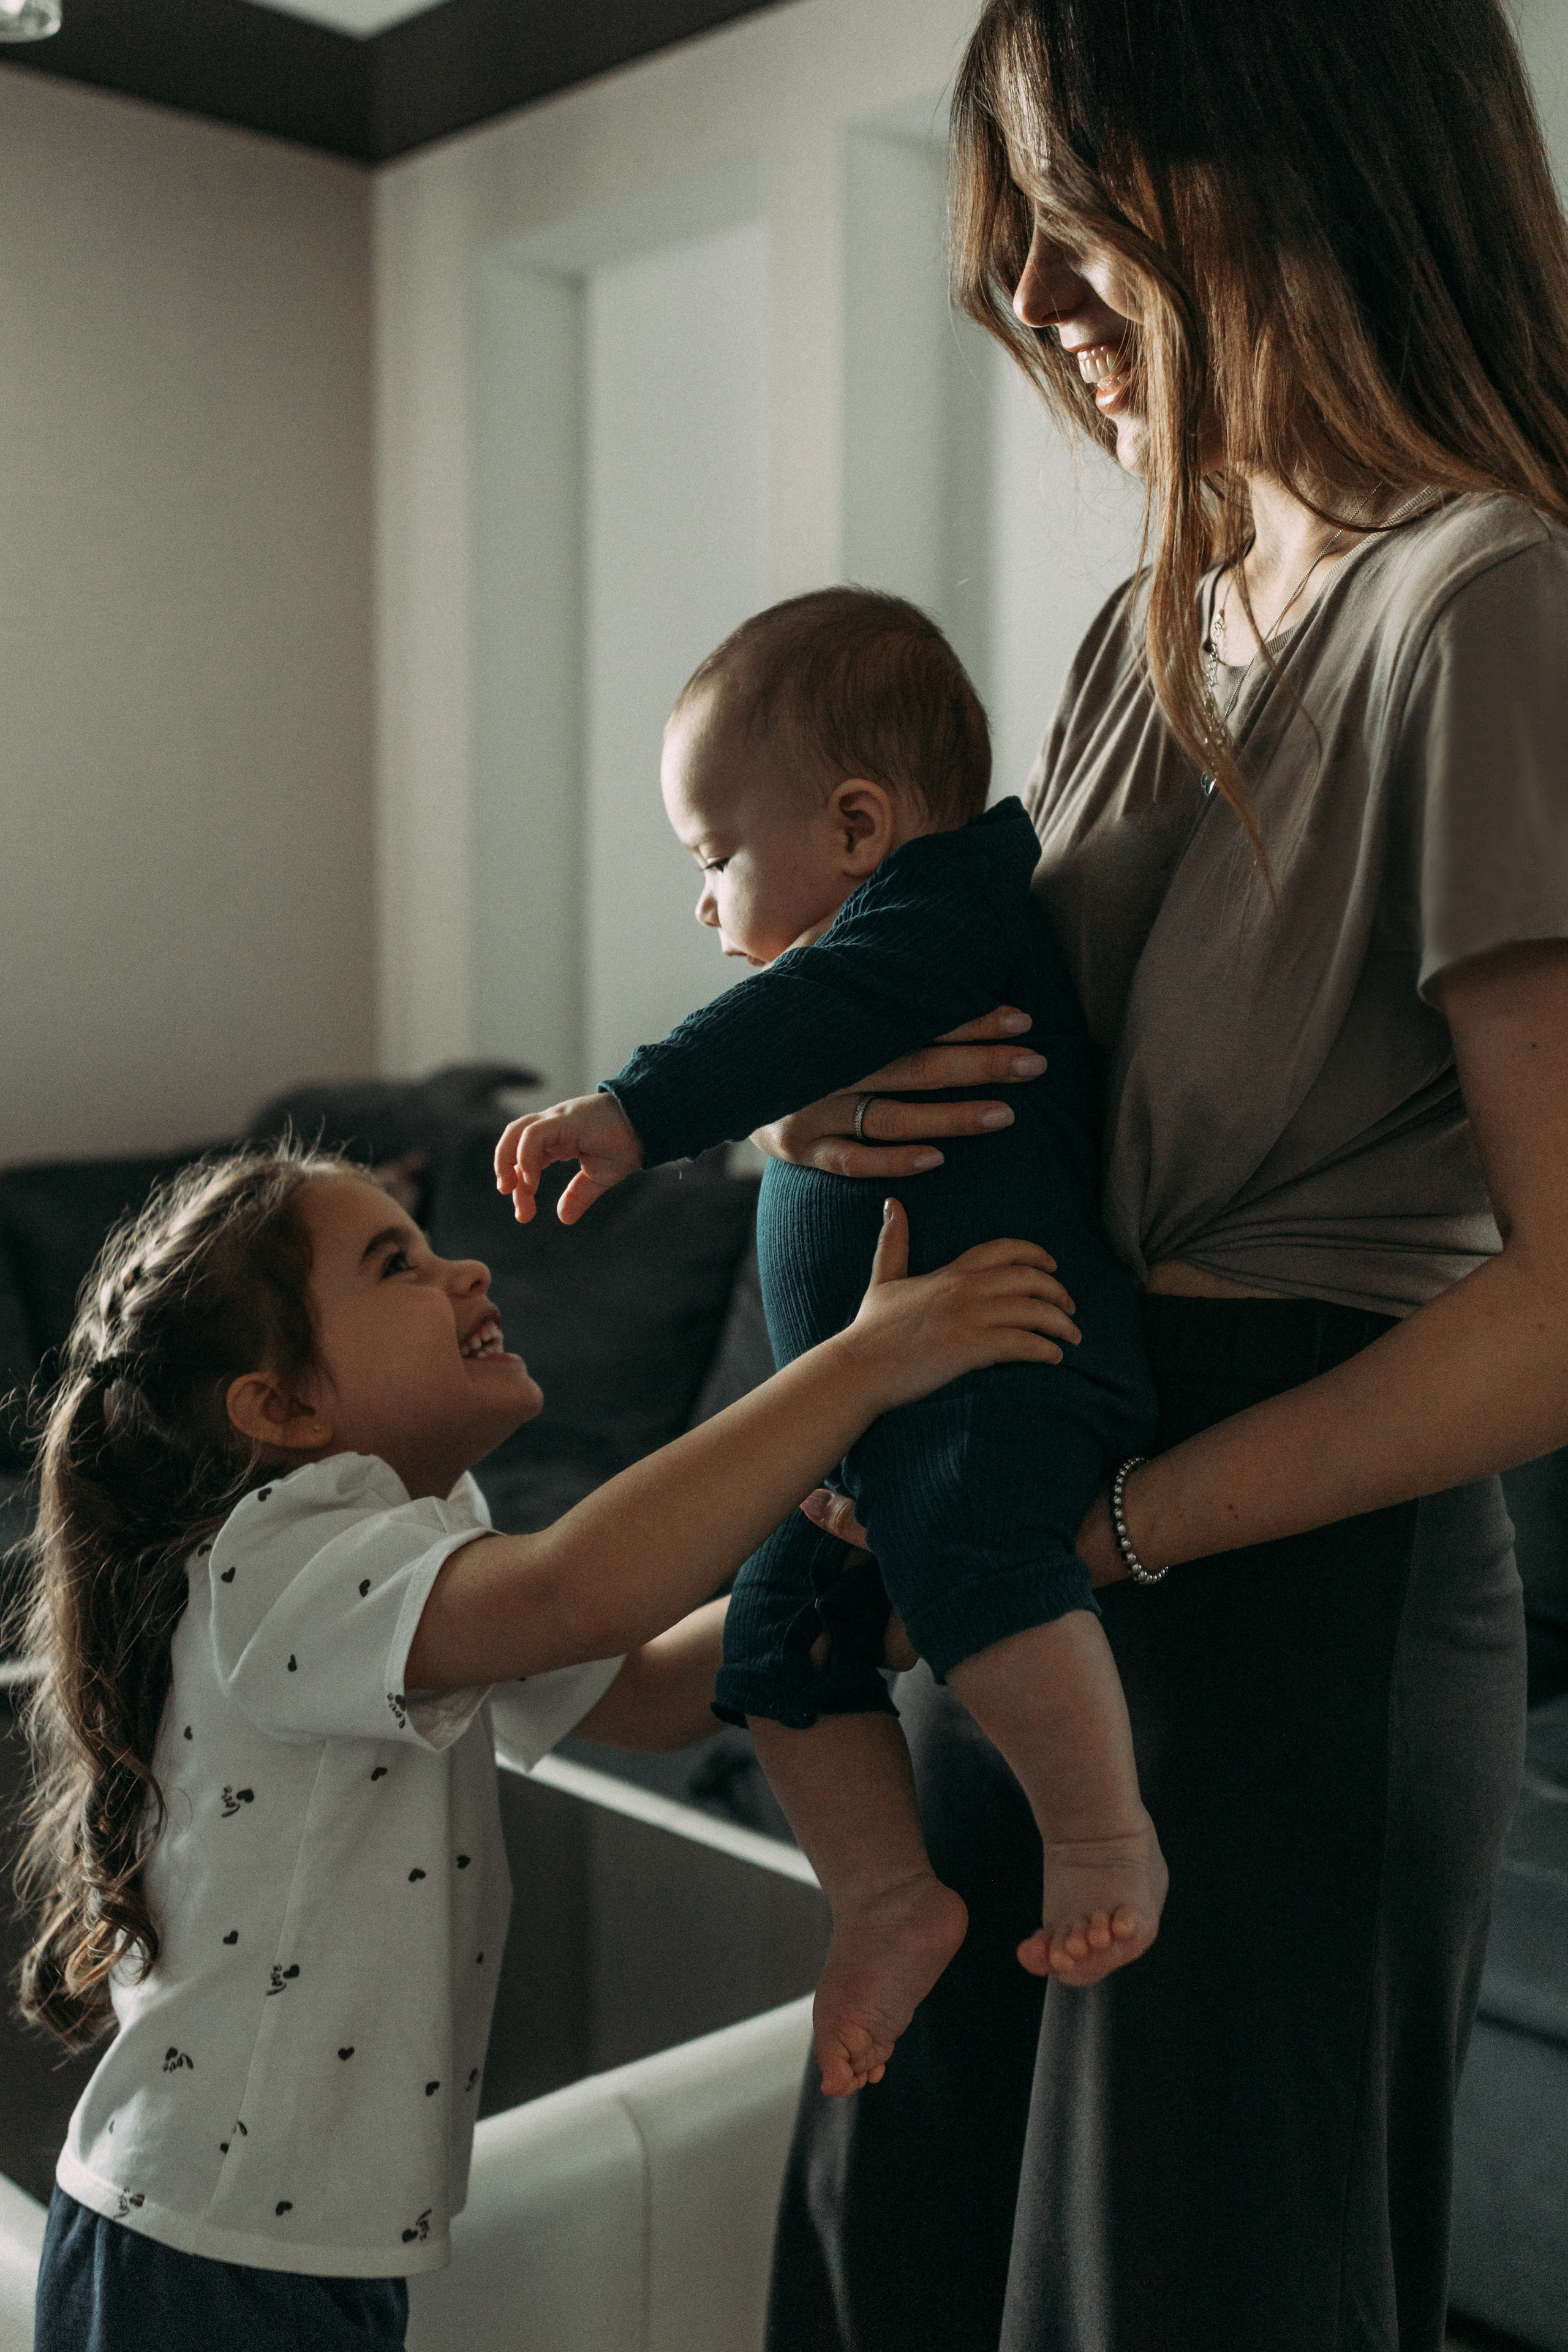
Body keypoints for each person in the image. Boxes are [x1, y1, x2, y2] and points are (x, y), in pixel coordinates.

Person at [753, 2, 1568, 2348]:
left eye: (1078, 221)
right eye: (1013, 245)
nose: (1035, 300)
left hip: (1288, 1598)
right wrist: (835, 1125)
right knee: (896, 2214)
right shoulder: (1150, 624)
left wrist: (1109, 1538)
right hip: (1043, 1518)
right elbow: (1036, 1079)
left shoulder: (1484, 605)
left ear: (1301, 162)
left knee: (1178, 2291)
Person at [10, 1143, 1069, 2352]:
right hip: (202, 2243)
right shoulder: (277, 1563)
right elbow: (583, 1592)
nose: (465, 1267)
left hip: (298, 2239)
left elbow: (655, 1690)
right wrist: (856, 1370)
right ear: (283, 1409)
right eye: (394, 1264)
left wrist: (849, 1564)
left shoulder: (413, 1542)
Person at [494, 587, 1164, 2101]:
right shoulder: (892, 944)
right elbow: (802, 1035)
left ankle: (1099, 1829)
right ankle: (882, 1896)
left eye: (714, 857)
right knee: (777, 1628)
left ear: (857, 827)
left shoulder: (940, 913)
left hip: (1005, 1368)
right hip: (884, 1418)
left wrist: (634, 1109)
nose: (702, 901)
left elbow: (796, 1016)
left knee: (963, 1544)